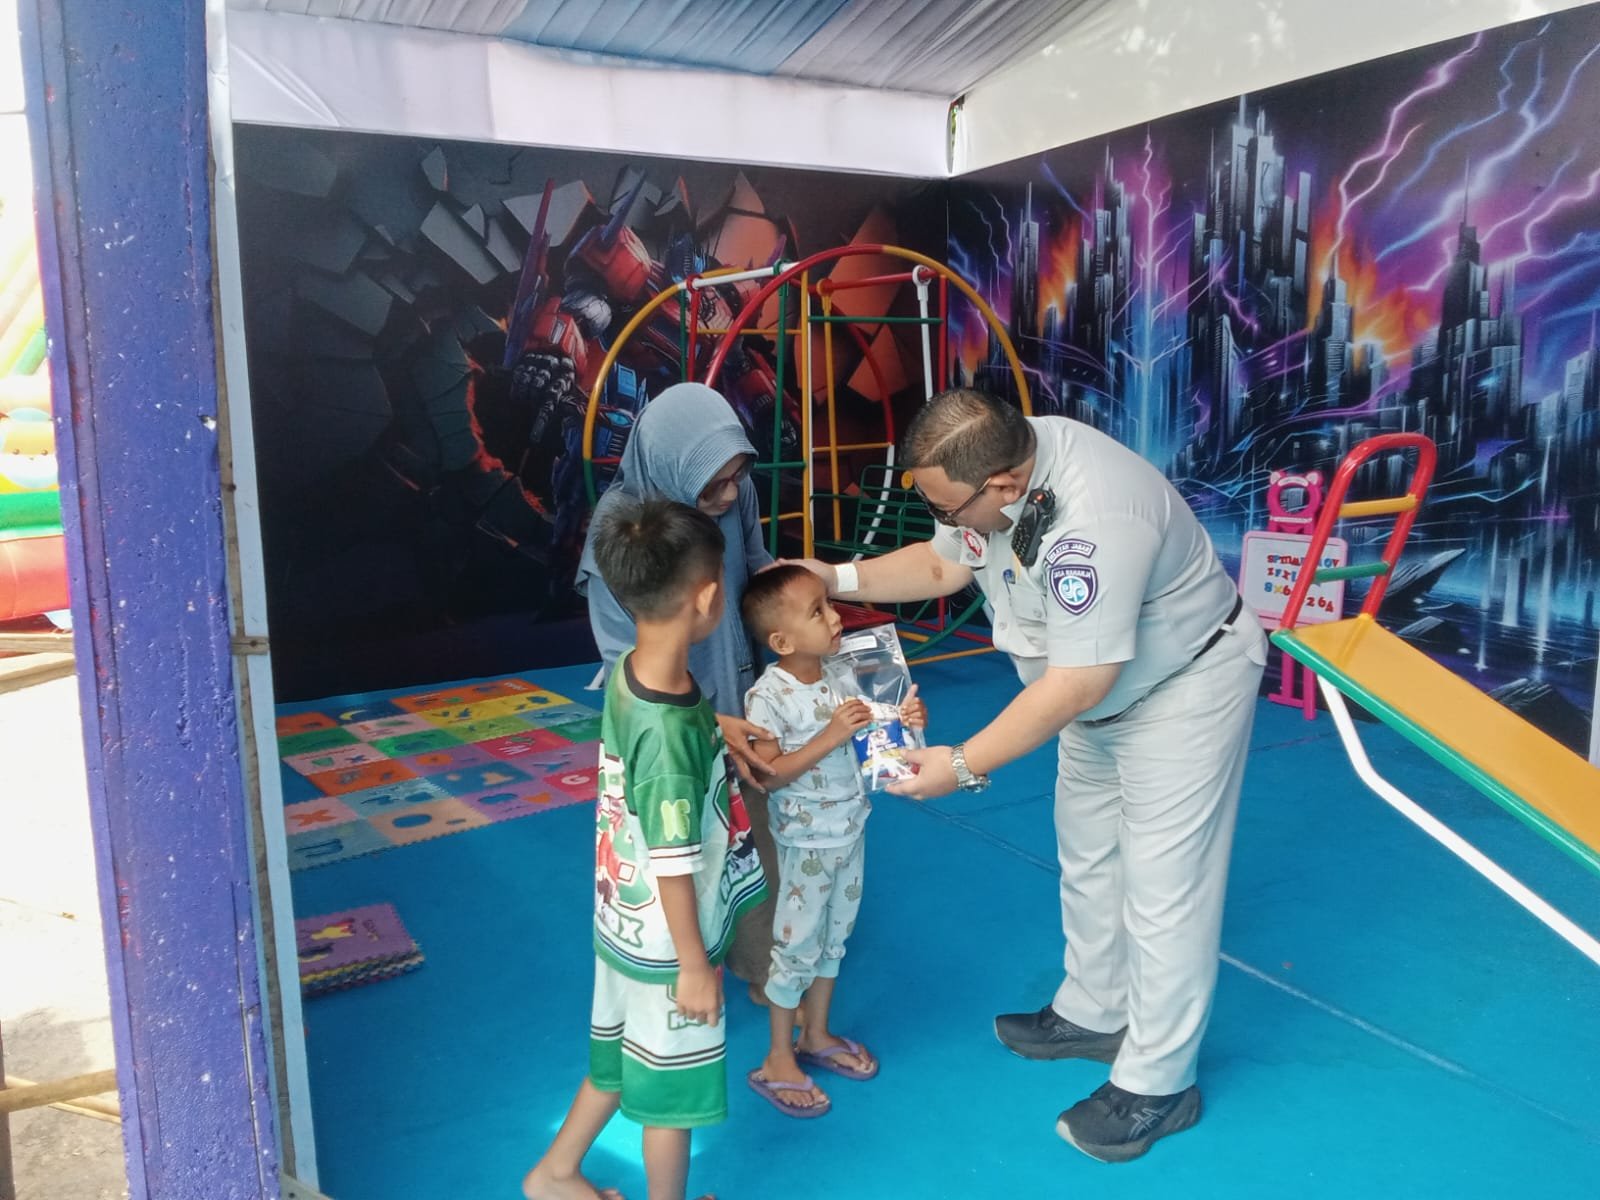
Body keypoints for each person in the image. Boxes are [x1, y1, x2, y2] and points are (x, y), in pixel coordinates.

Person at [792, 388, 1267, 1163]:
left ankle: (1160, 1083)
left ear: (1005, 484)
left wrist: (961, 765)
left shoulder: (1095, 520)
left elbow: (1080, 680)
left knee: (1163, 888)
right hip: (1096, 698)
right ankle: (1095, 1010)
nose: (942, 521)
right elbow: (944, 564)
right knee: (1087, 854)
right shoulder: (993, 463)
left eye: (947, 508)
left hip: (1183, 687)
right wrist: (834, 578)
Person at [524, 497, 766, 1200]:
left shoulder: (636, 667)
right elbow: (674, 861)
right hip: (667, 946)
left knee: (620, 1060)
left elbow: (663, 735)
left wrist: (716, 728)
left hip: (623, 920)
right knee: (673, 1096)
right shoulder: (668, 738)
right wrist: (693, 967)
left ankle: (555, 1173)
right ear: (709, 597)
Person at [576, 382, 782, 998]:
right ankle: (692, 966)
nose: (729, 496)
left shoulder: (735, 488)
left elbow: (758, 569)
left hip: (741, 695)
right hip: (677, 714)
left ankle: (761, 969)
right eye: (713, 485)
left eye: (737, 478)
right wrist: (704, 720)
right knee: (686, 845)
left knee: (754, 840)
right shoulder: (623, 532)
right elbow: (622, 661)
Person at [736, 565, 927, 1117]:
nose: (835, 617)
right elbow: (769, 775)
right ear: (782, 641)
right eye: (817, 611)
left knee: (833, 940)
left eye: (829, 604)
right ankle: (778, 1058)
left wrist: (906, 717)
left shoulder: (843, 674)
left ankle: (816, 1035)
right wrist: (831, 734)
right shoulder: (768, 696)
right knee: (795, 948)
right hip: (806, 844)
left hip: (851, 828)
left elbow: (881, 739)